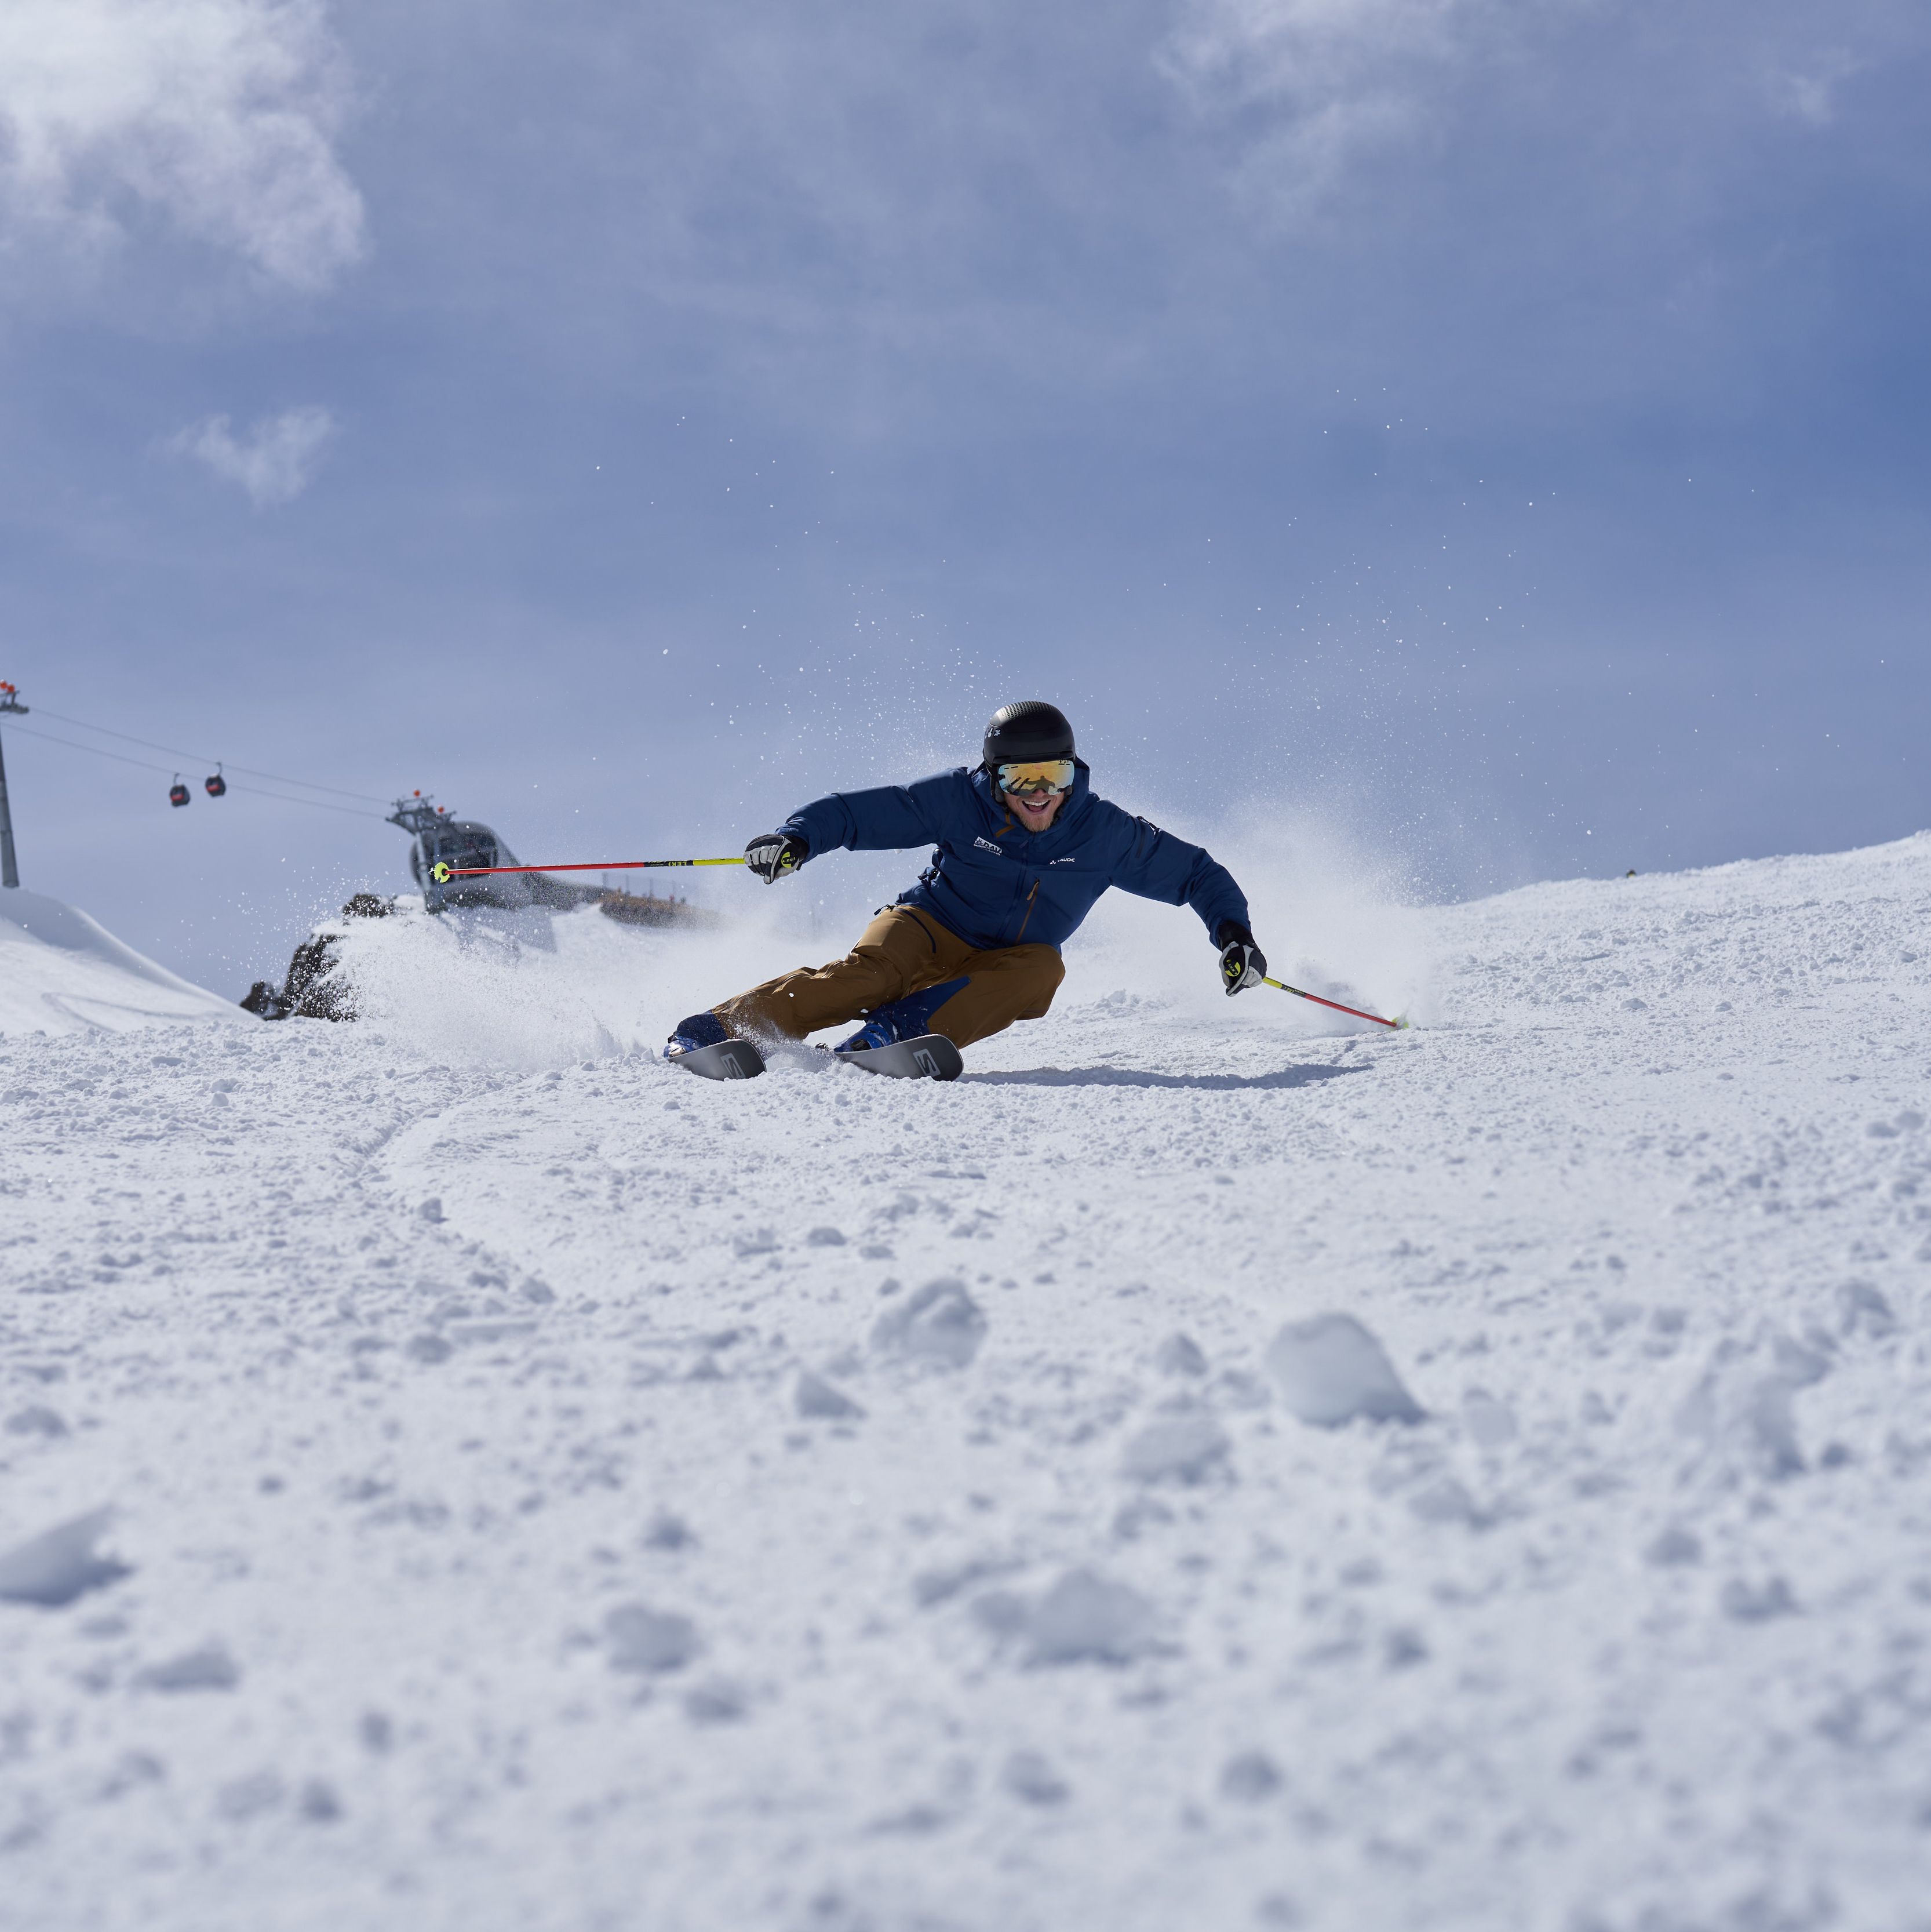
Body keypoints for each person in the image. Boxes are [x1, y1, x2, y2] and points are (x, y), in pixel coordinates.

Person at [666, 701, 1267, 1064]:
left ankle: (892, 1036)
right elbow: (857, 814)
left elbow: (1195, 874)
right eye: (1020, 775)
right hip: (926, 925)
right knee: (871, 974)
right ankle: (709, 1032)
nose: (1038, 793)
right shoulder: (959, 799)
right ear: (993, 775)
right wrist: (796, 838)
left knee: (1043, 971)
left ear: (1073, 773)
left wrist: (1233, 934)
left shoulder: (1104, 834)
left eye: (1052, 774)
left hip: (1009, 958)